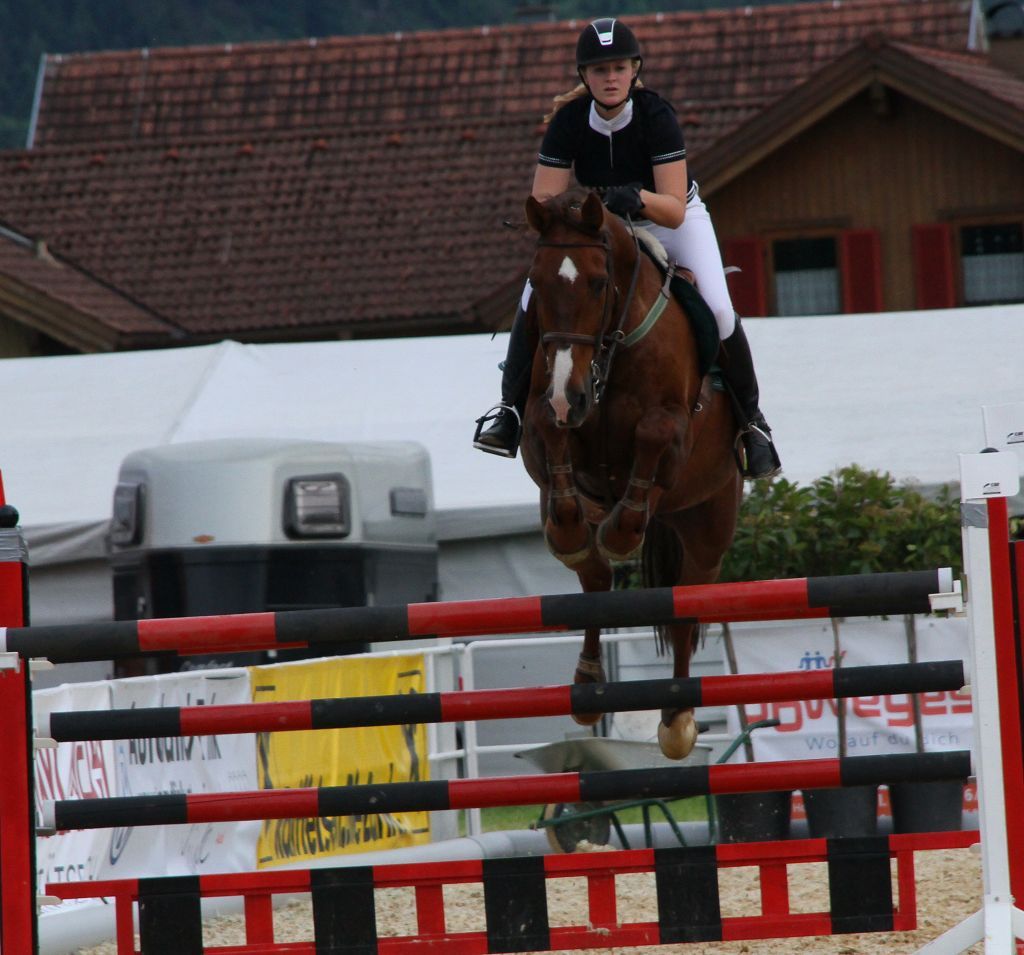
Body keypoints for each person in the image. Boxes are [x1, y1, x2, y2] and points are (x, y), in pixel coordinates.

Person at [473, 16, 781, 479]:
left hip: (670, 220)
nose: (611, 78)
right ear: (585, 76)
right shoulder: (569, 122)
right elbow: (544, 200)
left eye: (619, 68)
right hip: (600, 225)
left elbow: (673, 209)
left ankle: (752, 425)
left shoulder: (657, 117)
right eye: (600, 70)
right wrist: (582, 207)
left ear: (634, 70)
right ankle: (509, 411)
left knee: (719, 309)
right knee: (533, 296)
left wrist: (636, 197)